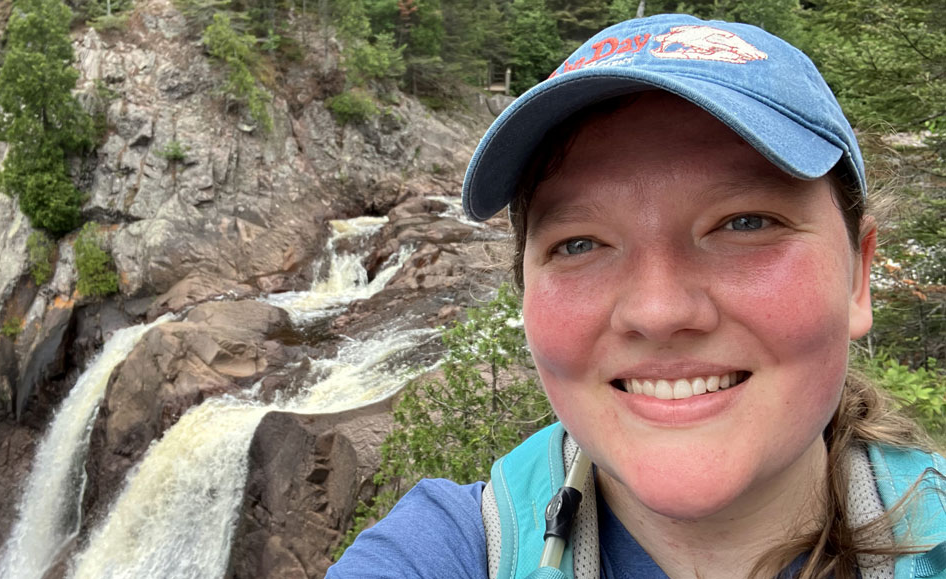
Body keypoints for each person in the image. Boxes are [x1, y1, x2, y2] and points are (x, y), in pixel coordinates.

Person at [328, 13, 946, 579]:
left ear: (859, 277)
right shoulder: (445, 551)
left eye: (745, 222)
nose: (658, 311)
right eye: (579, 243)